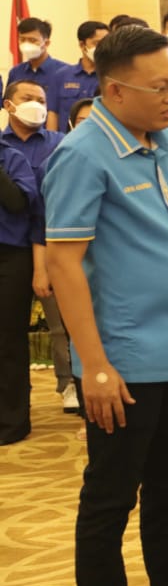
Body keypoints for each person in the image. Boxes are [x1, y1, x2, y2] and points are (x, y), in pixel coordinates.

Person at [42, 25, 168, 586]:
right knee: (111, 497)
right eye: (159, 87)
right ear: (114, 91)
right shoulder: (82, 154)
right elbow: (63, 264)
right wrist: (94, 366)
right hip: (125, 360)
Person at [2, 80, 72, 414]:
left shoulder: (60, 143)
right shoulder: (5, 145)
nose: (36, 104)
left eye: (42, 99)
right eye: (28, 98)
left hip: (47, 242)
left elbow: (28, 202)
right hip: (17, 244)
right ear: (8, 105)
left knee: (62, 324)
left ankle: (71, 383)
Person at [0, 124, 39, 444]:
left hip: (10, 257)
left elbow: (16, 203)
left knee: (8, 340)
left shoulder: (12, 158)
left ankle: (13, 421)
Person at [51, 21, 109, 132]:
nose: (103, 48)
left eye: (106, 43)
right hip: (67, 138)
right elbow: (53, 113)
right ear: (82, 45)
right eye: (97, 43)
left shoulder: (112, 77)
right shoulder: (61, 75)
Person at [9, 17, 70, 107]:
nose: (26, 44)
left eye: (32, 40)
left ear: (46, 43)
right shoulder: (15, 72)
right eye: (22, 39)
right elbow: (8, 104)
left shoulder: (65, 71)